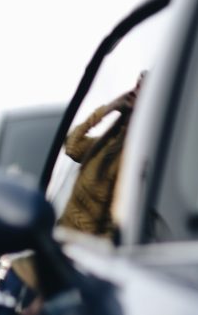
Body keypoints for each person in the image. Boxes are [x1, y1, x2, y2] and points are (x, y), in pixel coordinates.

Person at [57, 71, 146, 239]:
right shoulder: (107, 144)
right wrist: (110, 107)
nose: (133, 91)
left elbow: (115, 226)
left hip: (81, 250)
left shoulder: (130, 158)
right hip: (62, 241)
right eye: (135, 85)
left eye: (141, 88)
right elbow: (72, 146)